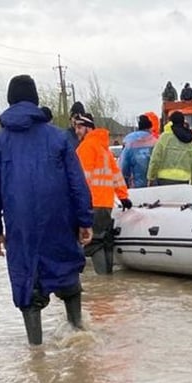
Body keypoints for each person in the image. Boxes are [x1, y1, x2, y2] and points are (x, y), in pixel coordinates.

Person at [0, 75, 93, 345]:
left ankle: (36, 353)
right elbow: (77, 184)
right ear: (36, 100)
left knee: (28, 286)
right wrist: (84, 220)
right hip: (59, 222)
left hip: (21, 228)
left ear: (10, 101)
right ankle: (79, 334)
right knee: (67, 275)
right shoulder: (58, 138)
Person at [74, 113, 132, 275]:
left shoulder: (85, 148)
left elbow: (82, 179)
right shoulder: (104, 148)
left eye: (80, 127)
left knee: (93, 243)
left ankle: (102, 279)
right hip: (106, 203)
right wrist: (123, 197)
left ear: (89, 128)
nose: (77, 131)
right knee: (105, 241)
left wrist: (77, 202)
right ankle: (108, 278)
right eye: (76, 127)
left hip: (92, 203)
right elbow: (116, 175)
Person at [147, 111, 192, 186]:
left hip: (164, 179)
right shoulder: (190, 140)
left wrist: (151, 177)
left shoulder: (164, 137)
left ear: (170, 122)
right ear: (183, 122)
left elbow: (155, 159)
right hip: (183, 179)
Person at [120, 114, 157, 188]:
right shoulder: (155, 141)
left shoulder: (129, 141)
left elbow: (123, 165)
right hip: (152, 185)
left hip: (135, 185)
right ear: (149, 128)